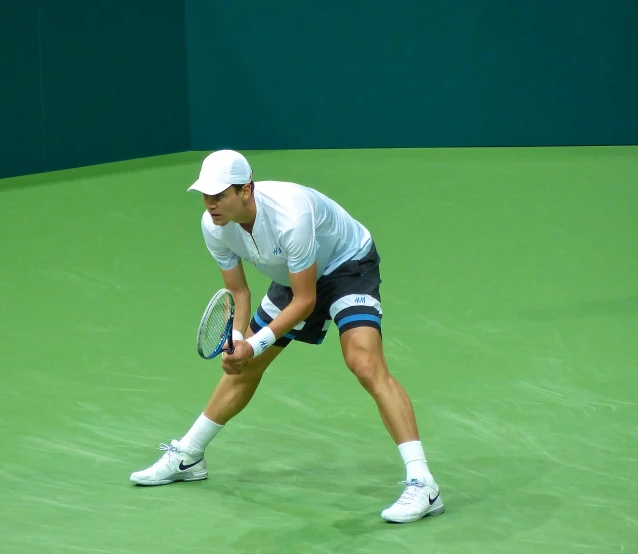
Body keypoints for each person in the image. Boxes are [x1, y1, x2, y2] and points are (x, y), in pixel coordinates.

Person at [130, 150, 444, 523]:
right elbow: (239, 293)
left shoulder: (290, 215)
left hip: (346, 265)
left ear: (245, 190)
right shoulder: (213, 225)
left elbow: (306, 300)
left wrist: (255, 342)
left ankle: (423, 483)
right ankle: (189, 455)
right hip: (292, 276)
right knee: (242, 368)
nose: (210, 203)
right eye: (204, 194)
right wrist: (236, 337)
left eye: (219, 194)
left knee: (363, 362)